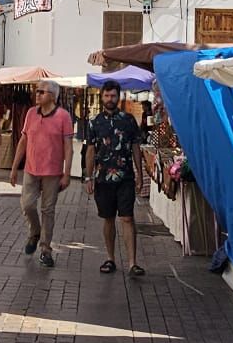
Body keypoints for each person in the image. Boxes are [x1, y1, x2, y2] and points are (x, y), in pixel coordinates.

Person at [83, 81, 146, 276]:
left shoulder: (128, 120)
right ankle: (110, 258)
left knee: (127, 218)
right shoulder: (94, 122)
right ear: (101, 96)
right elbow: (90, 150)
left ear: (119, 97)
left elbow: (136, 147)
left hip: (125, 177)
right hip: (103, 179)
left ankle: (132, 263)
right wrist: (88, 177)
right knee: (108, 218)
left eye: (113, 96)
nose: (110, 99)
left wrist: (139, 173)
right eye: (107, 95)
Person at [9, 81, 74, 268]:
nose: (37, 94)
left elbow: (68, 148)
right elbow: (23, 140)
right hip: (31, 169)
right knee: (27, 205)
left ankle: (45, 249)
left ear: (53, 96)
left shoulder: (63, 116)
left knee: (48, 210)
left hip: (52, 172)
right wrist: (14, 167)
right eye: (36, 91)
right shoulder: (31, 113)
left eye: (41, 92)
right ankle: (35, 231)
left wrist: (67, 174)